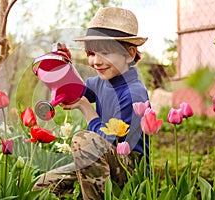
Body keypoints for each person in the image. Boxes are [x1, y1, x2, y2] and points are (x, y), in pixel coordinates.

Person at [34, 7, 150, 199]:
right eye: (91, 53)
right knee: (43, 184)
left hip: (130, 168)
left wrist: (88, 110)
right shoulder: (101, 82)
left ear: (129, 54)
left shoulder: (133, 93)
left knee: (85, 140)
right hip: (105, 158)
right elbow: (76, 92)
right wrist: (66, 65)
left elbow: (113, 143)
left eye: (104, 53)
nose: (95, 61)